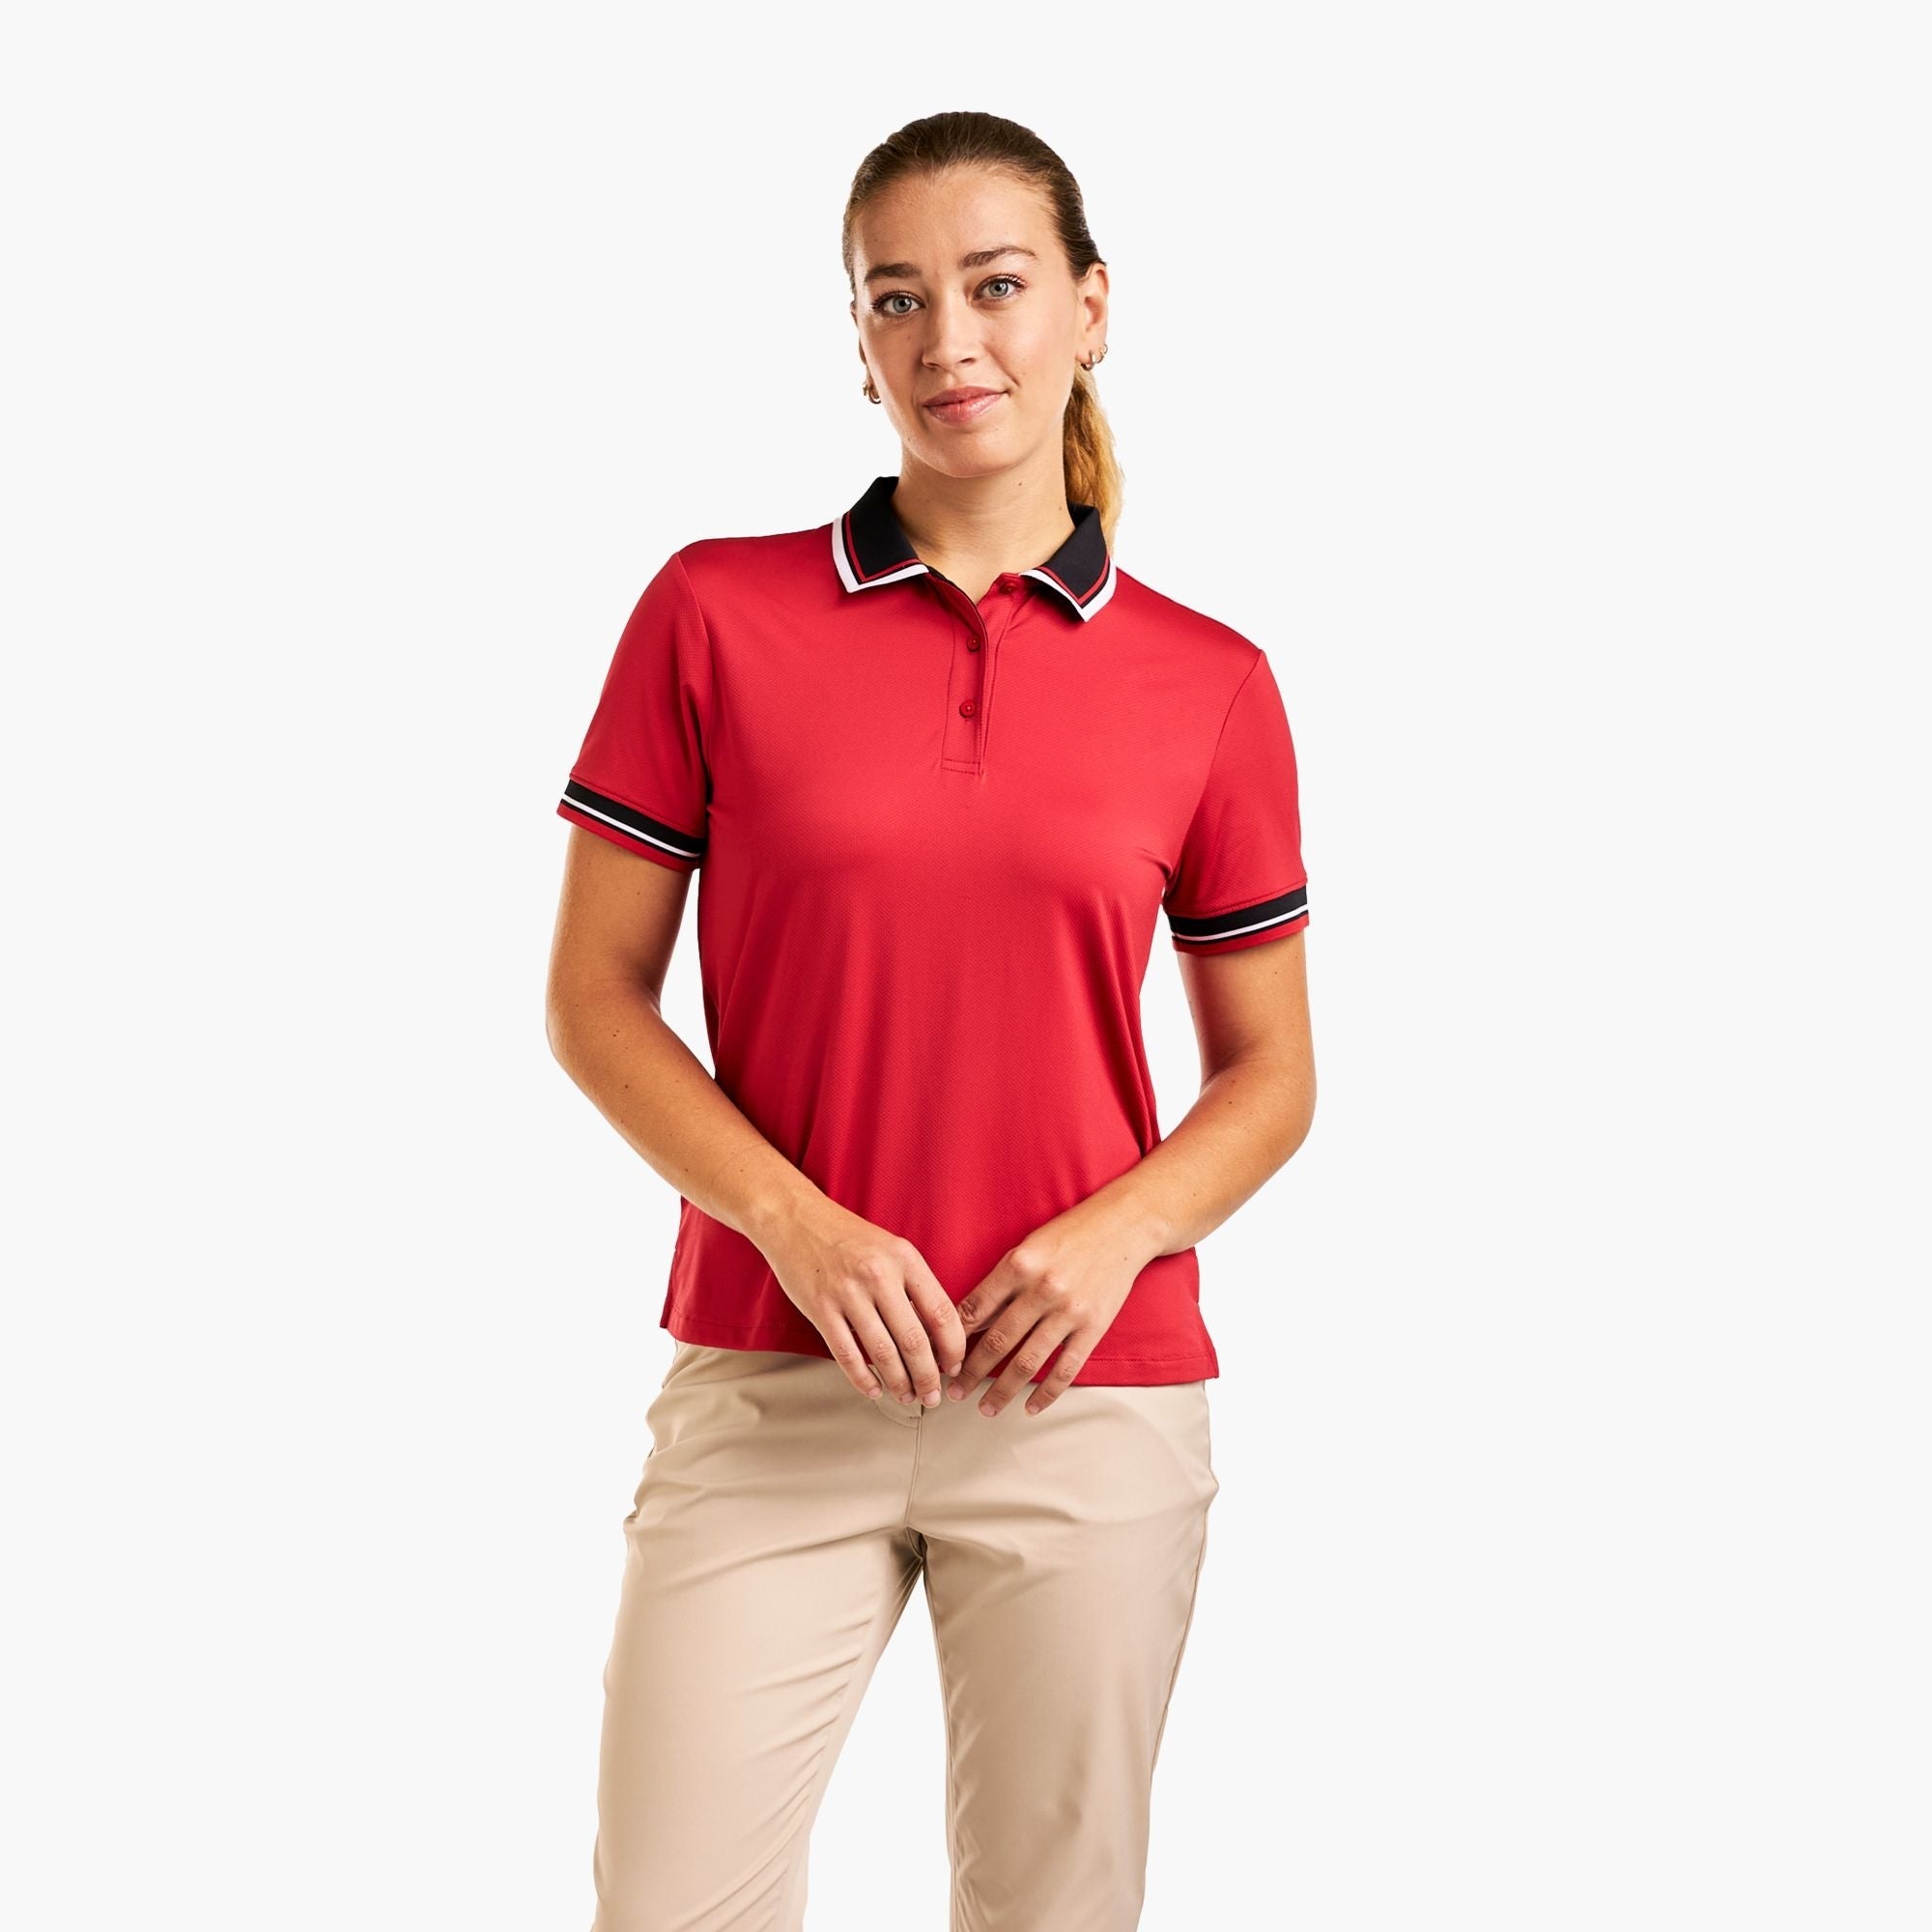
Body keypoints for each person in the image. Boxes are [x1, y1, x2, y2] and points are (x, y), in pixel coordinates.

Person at [545, 109, 1317, 1932]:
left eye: (995, 286)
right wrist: (795, 1226)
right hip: (772, 1375)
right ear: (859, 339)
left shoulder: (1212, 683)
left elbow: (1274, 1075)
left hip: (1086, 1395)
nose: (949, 340)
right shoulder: (712, 612)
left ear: (1091, 309)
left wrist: (1115, 1235)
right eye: (898, 299)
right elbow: (593, 998)